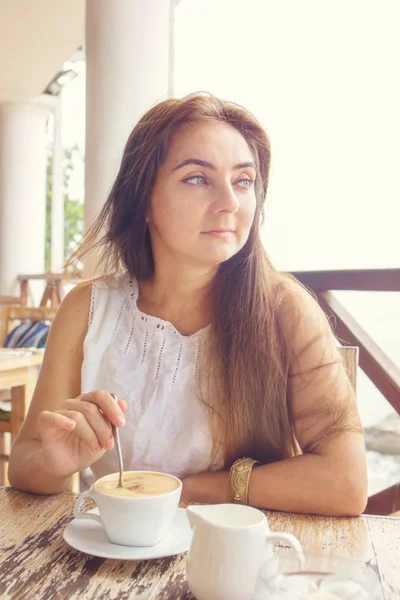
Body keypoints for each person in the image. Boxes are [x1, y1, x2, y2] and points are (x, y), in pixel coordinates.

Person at [8, 93, 367, 515]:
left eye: (243, 181)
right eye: (197, 178)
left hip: (236, 559)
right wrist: (54, 461)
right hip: (111, 556)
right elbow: (25, 466)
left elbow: (346, 483)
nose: (230, 203)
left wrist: (190, 490)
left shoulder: (285, 311)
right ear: (143, 198)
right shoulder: (87, 309)